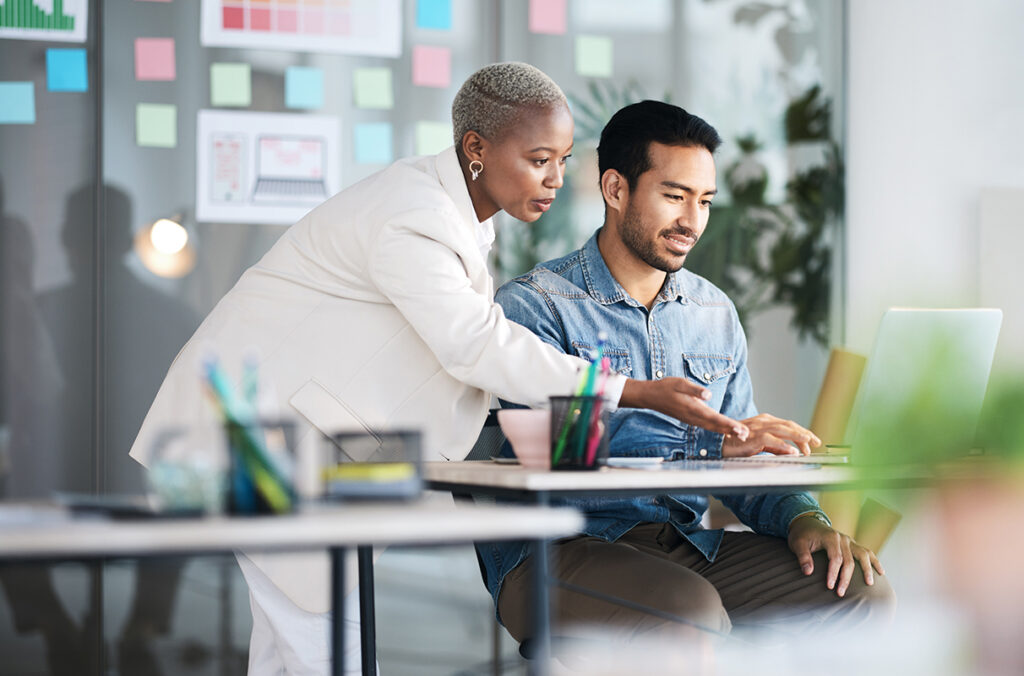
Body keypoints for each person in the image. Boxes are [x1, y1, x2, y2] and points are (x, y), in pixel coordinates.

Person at [129, 64, 752, 674]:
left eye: (563, 159)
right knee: (325, 650)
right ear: (475, 148)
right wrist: (638, 391)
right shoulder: (414, 214)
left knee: (296, 648)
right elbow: (473, 344)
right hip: (250, 440)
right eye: (539, 159)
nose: (557, 178)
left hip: (284, 441)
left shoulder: (452, 217)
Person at [478, 100, 896, 660]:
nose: (692, 222)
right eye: (675, 196)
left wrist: (803, 517)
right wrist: (709, 442)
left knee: (860, 591)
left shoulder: (713, 311)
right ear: (615, 189)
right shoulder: (536, 306)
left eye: (704, 201)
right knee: (689, 612)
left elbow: (745, 453)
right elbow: (558, 458)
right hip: (557, 550)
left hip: (684, 545)